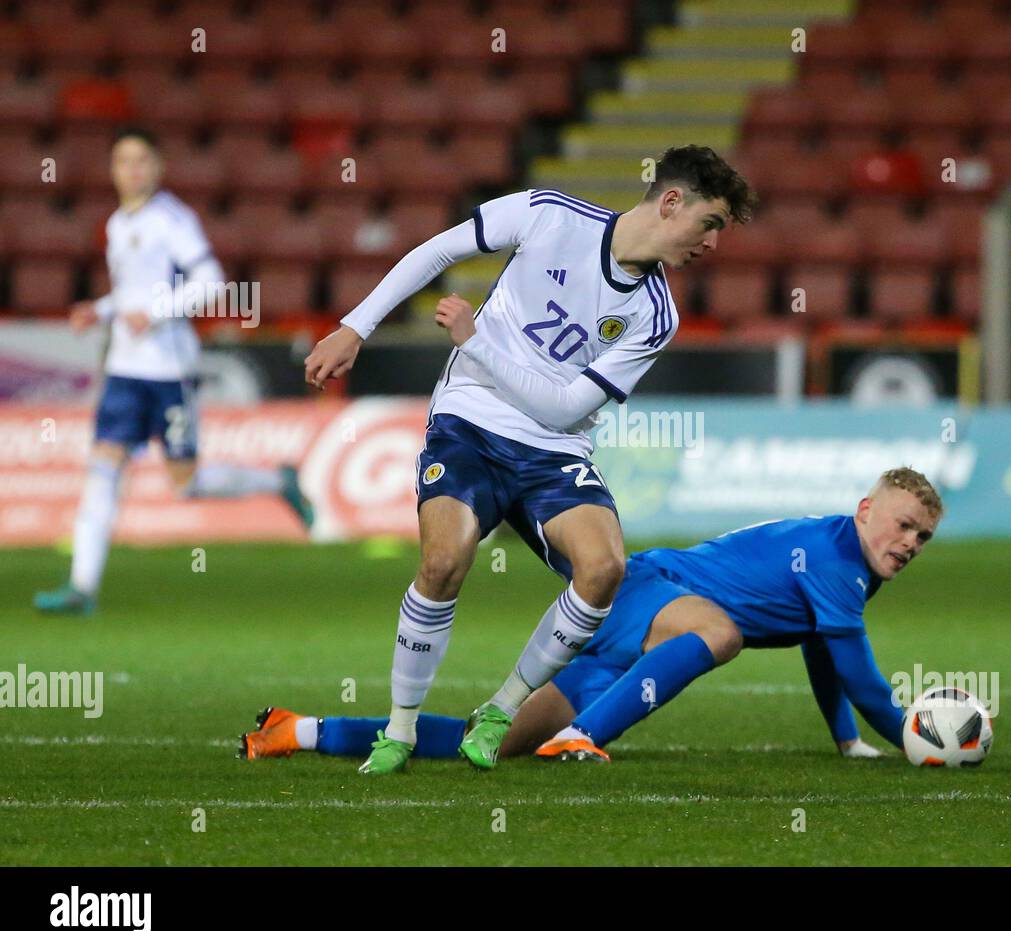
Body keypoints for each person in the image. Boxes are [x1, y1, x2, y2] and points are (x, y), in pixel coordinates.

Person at [302, 145, 757, 772]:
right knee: (442, 560)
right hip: (470, 419)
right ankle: (399, 731)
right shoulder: (549, 214)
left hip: (554, 447)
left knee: (603, 569)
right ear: (672, 201)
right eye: (710, 224)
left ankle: (499, 710)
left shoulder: (655, 314)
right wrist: (356, 326)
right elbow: (438, 250)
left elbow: (567, 408)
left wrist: (479, 344)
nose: (711, 244)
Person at [239, 468, 941, 765]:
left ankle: (296, 731)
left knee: (493, 742)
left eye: (922, 538)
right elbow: (868, 684)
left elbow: (825, 651)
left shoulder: (849, 568)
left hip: (641, 622)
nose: (909, 545)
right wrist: (915, 735)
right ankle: (581, 736)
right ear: (866, 511)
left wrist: (847, 743)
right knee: (719, 632)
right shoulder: (836, 562)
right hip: (649, 591)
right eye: (904, 526)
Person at [34, 127, 313, 616]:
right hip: (124, 368)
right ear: (113, 169)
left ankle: (277, 482)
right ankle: (81, 588)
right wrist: (100, 311)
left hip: (167, 369)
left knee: (186, 484)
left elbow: (212, 282)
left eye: (142, 161)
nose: (132, 170)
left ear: (157, 167)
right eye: (123, 161)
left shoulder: (172, 219)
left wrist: (158, 312)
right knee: (103, 468)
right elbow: (131, 291)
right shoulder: (120, 223)